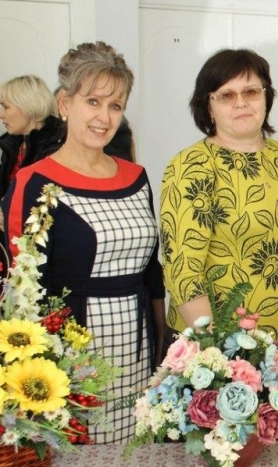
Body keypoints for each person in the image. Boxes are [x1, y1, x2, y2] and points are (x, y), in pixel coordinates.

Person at [2, 41, 165, 444]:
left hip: (139, 344)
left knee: (136, 447)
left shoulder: (136, 176)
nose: (104, 117)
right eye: (93, 101)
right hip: (72, 355)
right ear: (64, 103)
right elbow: (21, 289)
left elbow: (151, 272)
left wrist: (164, 347)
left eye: (115, 105)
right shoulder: (33, 182)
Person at [160, 49, 278, 362]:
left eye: (251, 91)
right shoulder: (191, 166)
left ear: (267, 97)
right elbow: (182, 272)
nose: (241, 103)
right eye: (226, 95)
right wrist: (219, 353)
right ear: (208, 106)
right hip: (217, 350)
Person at [0, 75, 63, 198]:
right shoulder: (12, 145)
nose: (1, 115)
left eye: (6, 107)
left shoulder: (60, 147)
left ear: (28, 106)